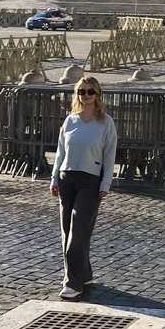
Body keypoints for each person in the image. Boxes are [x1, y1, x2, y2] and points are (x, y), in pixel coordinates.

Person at [50, 76, 118, 300]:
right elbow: (60, 151)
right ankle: (84, 273)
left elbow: (109, 155)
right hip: (66, 177)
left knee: (79, 231)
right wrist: (54, 178)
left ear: (98, 94)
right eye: (81, 92)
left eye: (90, 92)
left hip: (91, 181)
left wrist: (106, 183)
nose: (85, 96)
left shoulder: (105, 122)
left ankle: (73, 282)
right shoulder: (70, 120)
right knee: (67, 230)